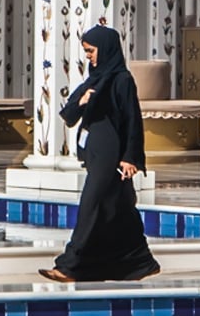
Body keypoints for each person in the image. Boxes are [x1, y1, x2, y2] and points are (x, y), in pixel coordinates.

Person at [38, 24, 160, 283]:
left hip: (111, 154)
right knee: (120, 208)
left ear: (105, 49)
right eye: (86, 51)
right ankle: (141, 262)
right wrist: (81, 102)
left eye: (91, 51)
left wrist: (131, 157)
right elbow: (68, 115)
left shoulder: (122, 80)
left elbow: (132, 120)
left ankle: (69, 266)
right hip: (95, 155)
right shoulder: (94, 79)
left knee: (91, 206)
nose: (89, 56)